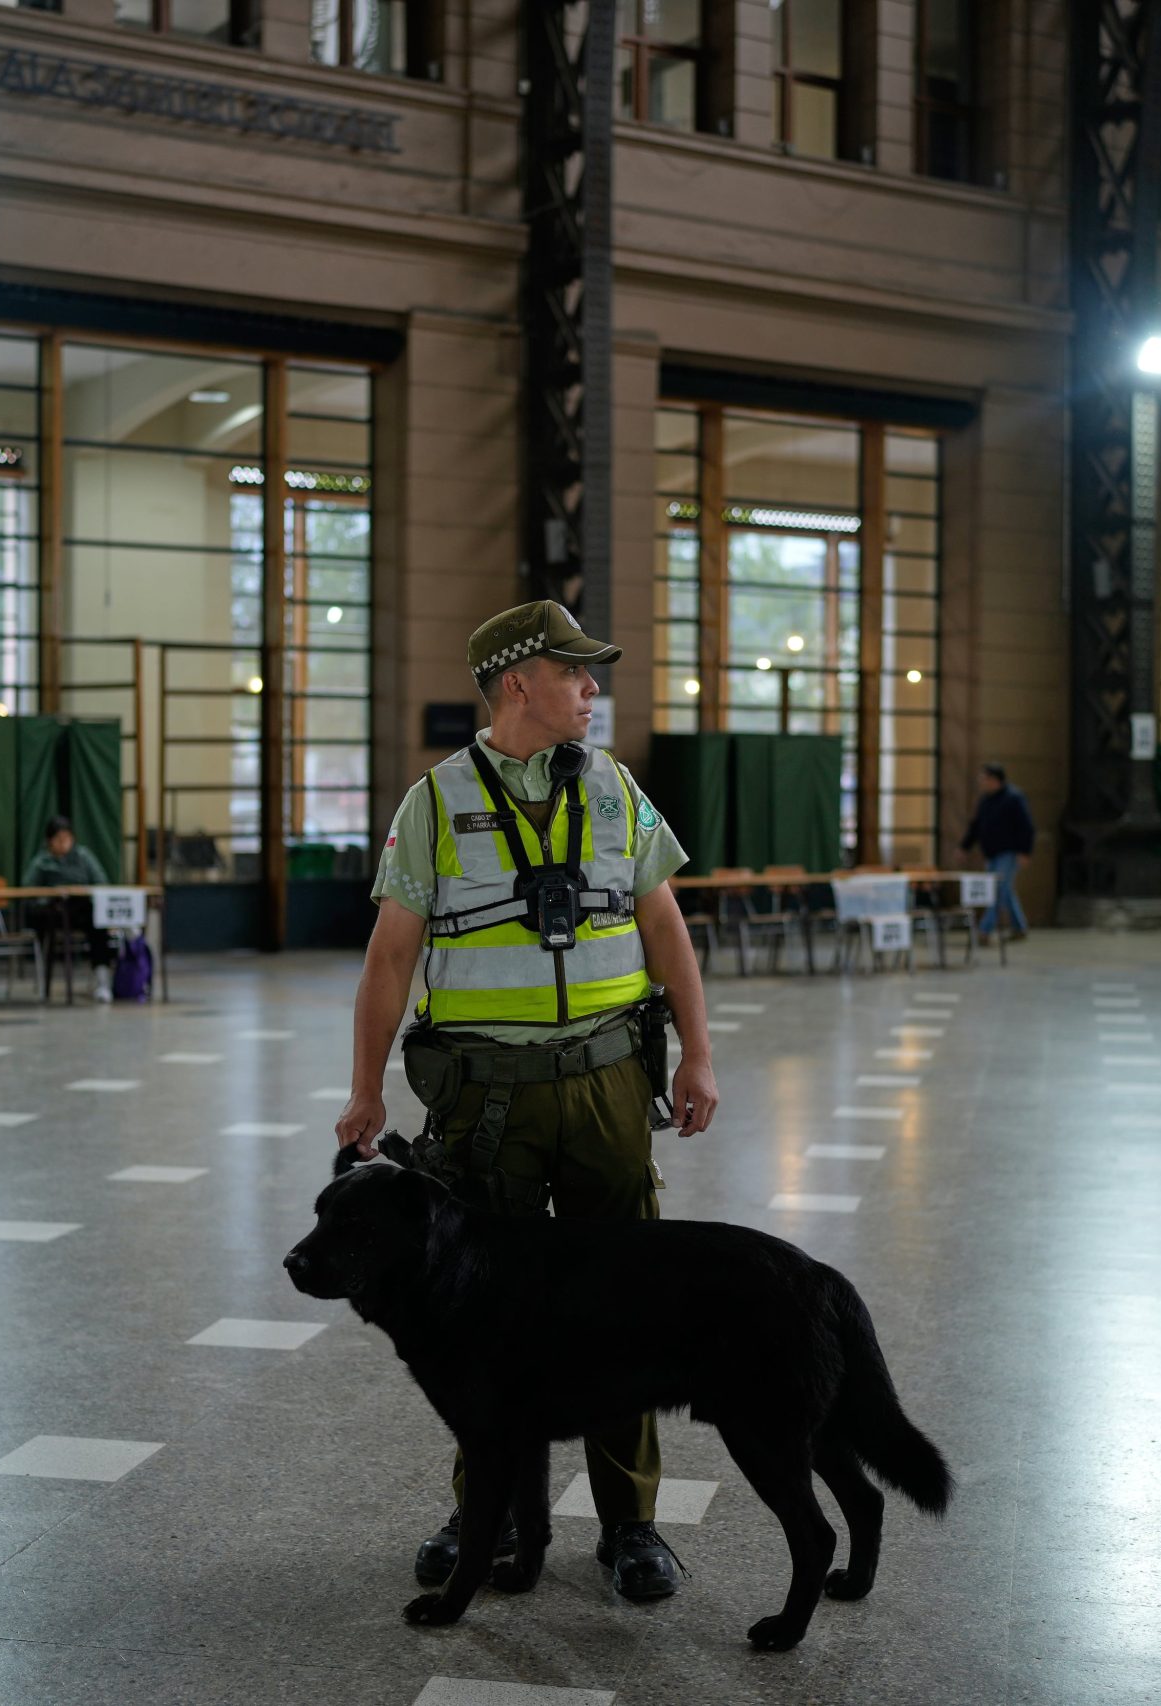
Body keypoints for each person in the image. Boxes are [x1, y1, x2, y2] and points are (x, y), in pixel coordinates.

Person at [336, 599, 721, 1606]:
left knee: (626, 1302)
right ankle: (486, 1508)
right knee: (480, 1316)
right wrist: (363, 1088)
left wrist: (698, 1055)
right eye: (575, 672)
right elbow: (389, 956)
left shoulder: (617, 791)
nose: (593, 688)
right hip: (486, 1098)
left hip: (605, 1083)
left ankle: (631, 1521)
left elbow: (665, 928)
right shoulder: (434, 801)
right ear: (517, 682)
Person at [21, 815, 116, 1001]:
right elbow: (28, 889)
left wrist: (84, 891)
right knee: (46, 917)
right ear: (50, 841)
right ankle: (48, 983)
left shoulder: (83, 856)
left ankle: (103, 981)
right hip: (53, 913)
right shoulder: (42, 862)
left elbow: (101, 882)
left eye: (67, 838)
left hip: (81, 910)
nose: (64, 843)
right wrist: (49, 896)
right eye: (59, 839)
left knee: (99, 925)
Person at [957, 763, 1034, 944]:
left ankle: (984, 930)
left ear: (994, 780)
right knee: (1006, 891)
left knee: (996, 891)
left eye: (984, 778)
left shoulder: (1014, 798)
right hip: (991, 853)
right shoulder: (986, 800)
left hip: (1008, 853)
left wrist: (1025, 851)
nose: (981, 782)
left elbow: (1026, 827)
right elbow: (976, 826)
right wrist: (964, 847)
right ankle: (1020, 927)